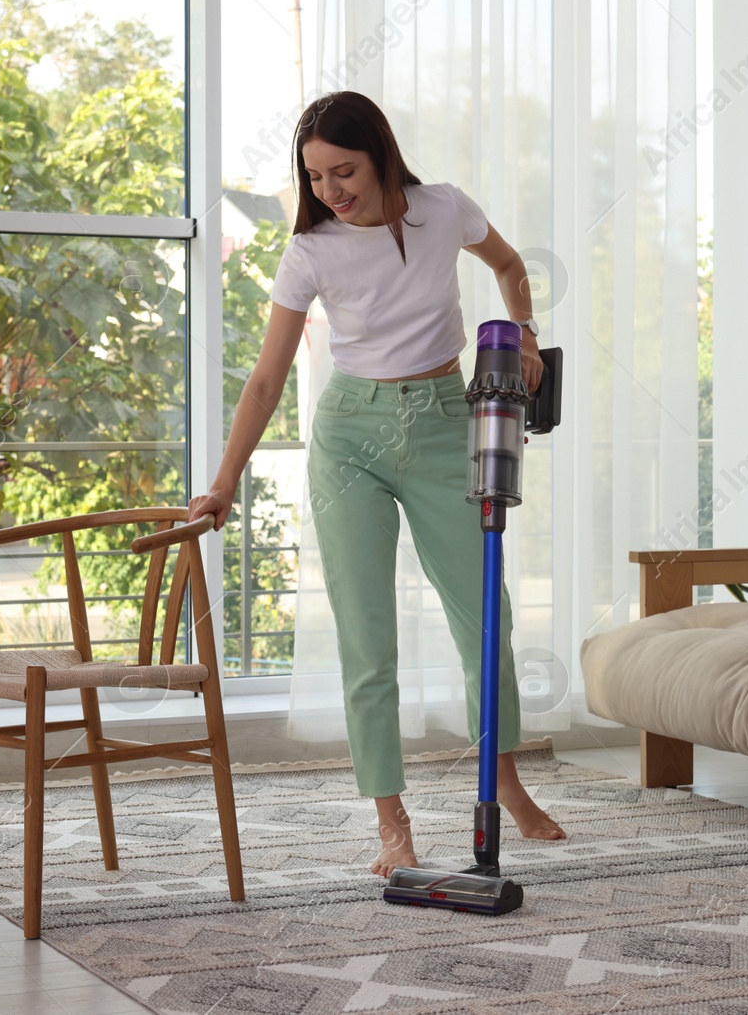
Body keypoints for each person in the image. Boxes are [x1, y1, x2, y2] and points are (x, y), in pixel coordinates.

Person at [187, 91, 566, 876]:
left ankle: (505, 783)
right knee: (367, 638)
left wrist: (526, 329)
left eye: (344, 170)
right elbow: (264, 381)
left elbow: (507, 264)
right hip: (350, 437)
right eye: (316, 176)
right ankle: (391, 820)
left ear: (382, 155)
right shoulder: (311, 252)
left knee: (484, 619)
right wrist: (222, 483)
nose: (330, 190)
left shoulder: (444, 209)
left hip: (440, 423)